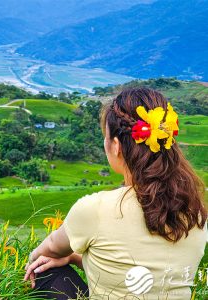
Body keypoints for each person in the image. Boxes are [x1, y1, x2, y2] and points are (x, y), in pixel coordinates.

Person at [24, 87, 207, 299]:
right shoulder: (197, 213)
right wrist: (74, 259)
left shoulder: (96, 209)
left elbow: (43, 253)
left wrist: (60, 257)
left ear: (117, 146)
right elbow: (148, 276)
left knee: (44, 269)